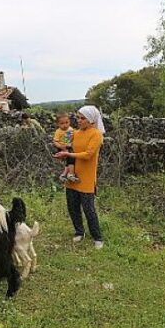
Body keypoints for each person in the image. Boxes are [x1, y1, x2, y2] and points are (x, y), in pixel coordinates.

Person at [54, 105, 105, 249]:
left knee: (89, 210)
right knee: (73, 207)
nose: (79, 120)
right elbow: (69, 149)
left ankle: (97, 237)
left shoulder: (96, 134)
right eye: (78, 117)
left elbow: (88, 155)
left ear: (90, 120)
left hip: (87, 178)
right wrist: (62, 155)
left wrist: (68, 154)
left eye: (82, 118)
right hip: (73, 177)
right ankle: (79, 232)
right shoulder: (75, 133)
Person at [53, 112, 78, 183]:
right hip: (62, 147)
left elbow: (75, 137)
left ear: (69, 122)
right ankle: (71, 173)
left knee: (70, 159)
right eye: (62, 123)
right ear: (58, 124)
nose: (65, 125)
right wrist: (62, 147)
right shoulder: (58, 131)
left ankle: (65, 174)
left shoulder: (71, 129)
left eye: (67, 122)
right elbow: (55, 141)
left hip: (69, 147)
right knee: (71, 158)